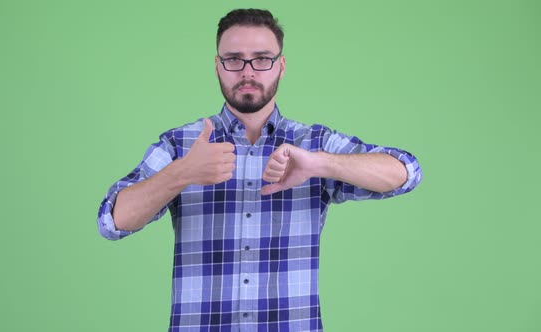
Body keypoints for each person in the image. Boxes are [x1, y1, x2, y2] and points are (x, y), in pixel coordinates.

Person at [97, 8, 422, 331]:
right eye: (234, 59)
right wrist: (182, 172)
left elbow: (405, 172)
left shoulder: (312, 142)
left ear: (281, 65)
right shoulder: (182, 145)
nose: (247, 71)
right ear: (217, 66)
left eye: (262, 58)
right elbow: (112, 221)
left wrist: (320, 162)